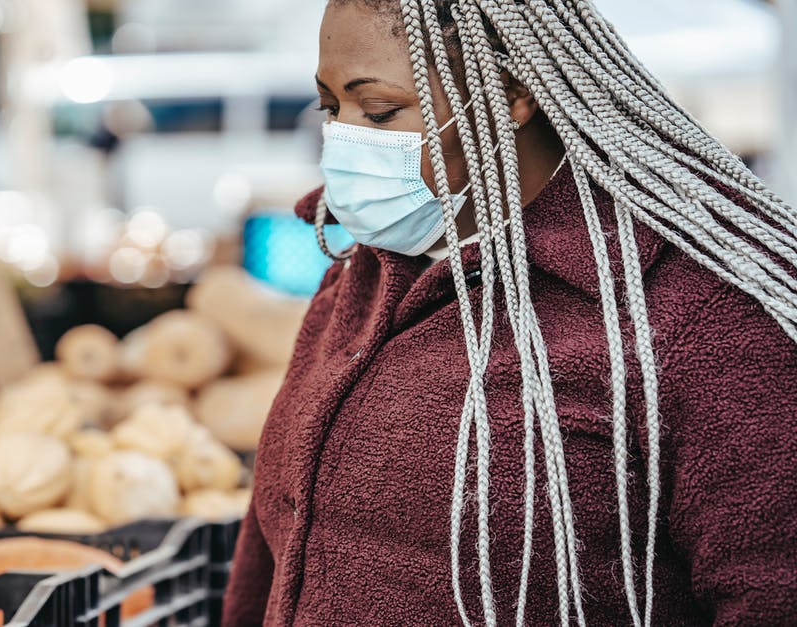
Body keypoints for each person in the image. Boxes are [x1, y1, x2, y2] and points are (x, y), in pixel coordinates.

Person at [222, 0, 797, 625]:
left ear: (514, 89)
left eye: (379, 110)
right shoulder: (357, 282)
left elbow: (771, 593)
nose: (344, 140)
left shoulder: (692, 314)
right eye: (330, 108)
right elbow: (269, 557)